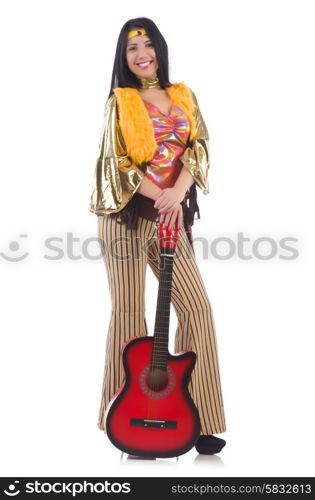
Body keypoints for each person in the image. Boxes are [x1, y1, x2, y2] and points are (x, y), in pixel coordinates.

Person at [89, 17, 227, 455]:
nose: (141, 53)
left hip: (172, 219)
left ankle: (198, 418)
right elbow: (117, 162)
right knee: (131, 316)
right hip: (126, 219)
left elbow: (198, 147)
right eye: (132, 48)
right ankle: (123, 418)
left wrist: (179, 192)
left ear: (160, 50)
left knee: (198, 310)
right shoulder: (120, 101)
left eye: (148, 45)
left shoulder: (183, 96)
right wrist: (160, 194)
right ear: (124, 57)